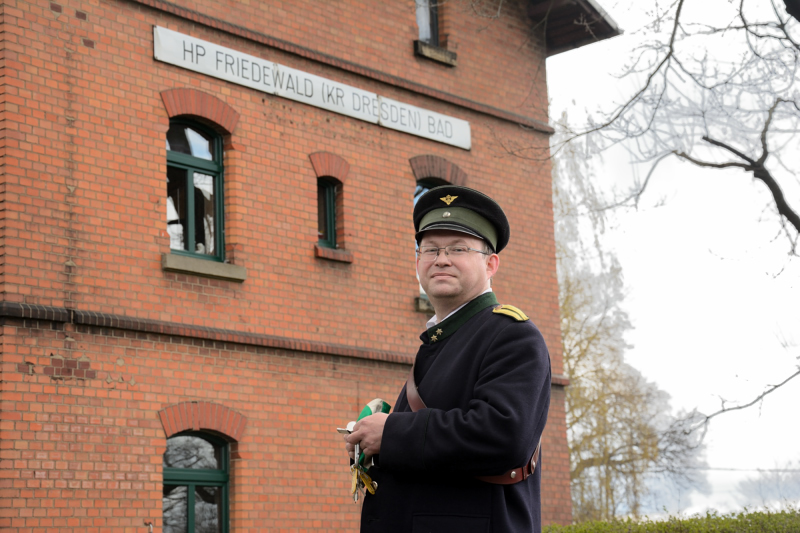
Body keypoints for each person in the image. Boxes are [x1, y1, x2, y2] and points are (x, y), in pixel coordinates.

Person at [344, 185, 551, 533]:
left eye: (458, 248)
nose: (441, 259)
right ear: (418, 262)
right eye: (431, 249)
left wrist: (392, 433)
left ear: (491, 264)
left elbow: (503, 436)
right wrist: (372, 443)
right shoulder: (440, 340)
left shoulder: (512, 335)